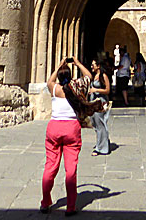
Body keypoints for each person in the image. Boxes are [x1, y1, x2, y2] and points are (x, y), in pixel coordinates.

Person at [41, 57, 107, 216]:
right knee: (71, 169)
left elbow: (50, 79)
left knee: (50, 166)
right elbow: (89, 77)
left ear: (59, 77)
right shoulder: (77, 87)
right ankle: (70, 206)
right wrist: (76, 62)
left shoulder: (55, 88)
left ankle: (45, 202)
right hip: (71, 128)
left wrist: (59, 64)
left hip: (54, 128)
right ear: (70, 76)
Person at [90, 58, 111, 156]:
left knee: (100, 124)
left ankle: (100, 148)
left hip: (101, 102)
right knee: (95, 124)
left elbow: (107, 90)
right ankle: (102, 143)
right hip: (94, 102)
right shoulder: (94, 76)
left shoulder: (103, 76)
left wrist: (96, 90)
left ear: (98, 66)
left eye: (93, 64)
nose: (91, 66)